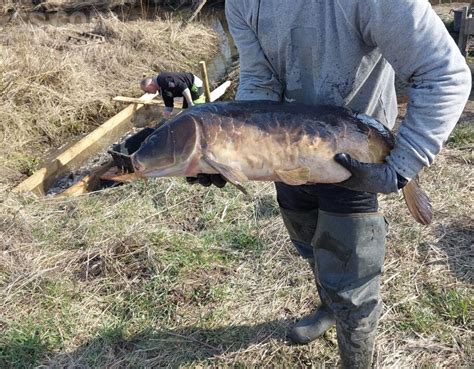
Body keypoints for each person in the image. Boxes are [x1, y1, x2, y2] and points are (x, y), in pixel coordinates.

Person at [188, 1, 471, 367]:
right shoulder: (243, 3)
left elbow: (444, 74)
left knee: (353, 281)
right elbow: (261, 79)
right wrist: (233, 150)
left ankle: (355, 355)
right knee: (308, 243)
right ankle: (328, 306)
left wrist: (403, 165)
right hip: (285, 153)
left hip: (355, 155)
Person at [140, 71, 206, 119]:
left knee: (196, 110)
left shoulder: (164, 80)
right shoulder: (162, 90)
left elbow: (184, 88)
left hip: (194, 85)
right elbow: (169, 107)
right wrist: (164, 121)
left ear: (150, 85)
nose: (147, 93)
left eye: (147, 91)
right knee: (185, 114)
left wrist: (190, 104)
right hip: (187, 91)